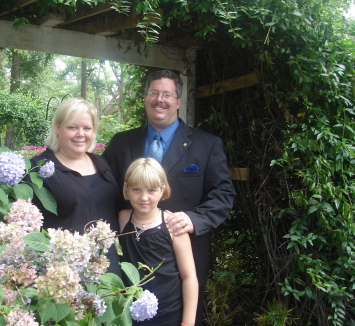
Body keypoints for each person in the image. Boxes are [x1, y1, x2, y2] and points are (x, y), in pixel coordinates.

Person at [103, 69, 236, 325]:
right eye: (153, 93)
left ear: (178, 101)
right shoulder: (121, 143)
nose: (159, 99)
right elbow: (103, 187)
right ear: (145, 98)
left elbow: (223, 193)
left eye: (167, 94)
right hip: (131, 257)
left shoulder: (206, 145)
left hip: (185, 257)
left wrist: (195, 219)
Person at [29, 97, 121, 275]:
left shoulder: (101, 164)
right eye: (72, 127)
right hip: (64, 276)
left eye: (87, 128)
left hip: (110, 271)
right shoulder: (39, 168)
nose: (81, 134)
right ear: (57, 127)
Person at [119, 157, 198, 326]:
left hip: (168, 315)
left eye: (151, 190)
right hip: (130, 313)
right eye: (137, 190)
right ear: (127, 189)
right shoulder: (123, 218)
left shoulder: (172, 225)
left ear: (162, 190)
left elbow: (189, 276)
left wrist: (188, 323)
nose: (144, 197)